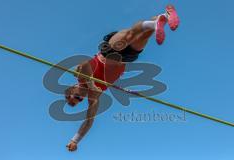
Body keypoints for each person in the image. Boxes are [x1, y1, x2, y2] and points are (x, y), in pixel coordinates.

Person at [65, 5, 179, 152]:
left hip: (110, 51)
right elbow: (89, 121)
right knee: (147, 34)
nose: (80, 96)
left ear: (72, 88)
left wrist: (90, 83)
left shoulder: (80, 77)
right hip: (126, 58)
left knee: (131, 34)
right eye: (79, 100)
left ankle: (159, 20)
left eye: (75, 96)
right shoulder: (94, 97)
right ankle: (162, 17)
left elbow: (84, 65)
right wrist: (75, 140)